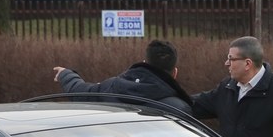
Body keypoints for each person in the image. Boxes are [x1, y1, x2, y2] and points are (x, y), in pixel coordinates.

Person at [53, 39, 193, 115]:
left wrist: (65, 74)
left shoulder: (111, 86)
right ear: (175, 73)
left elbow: (81, 92)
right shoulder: (179, 108)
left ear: (144, 64)